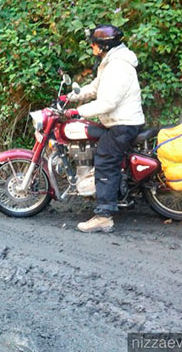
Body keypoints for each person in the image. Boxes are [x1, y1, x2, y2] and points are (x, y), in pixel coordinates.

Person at [66, 25, 145, 233]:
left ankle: (104, 216)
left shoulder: (118, 66)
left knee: (105, 159)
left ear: (103, 45)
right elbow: (95, 87)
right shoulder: (109, 63)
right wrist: (72, 97)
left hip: (123, 123)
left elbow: (108, 102)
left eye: (94, 43)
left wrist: (78, 112)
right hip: (119, 121)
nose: (91, 46)